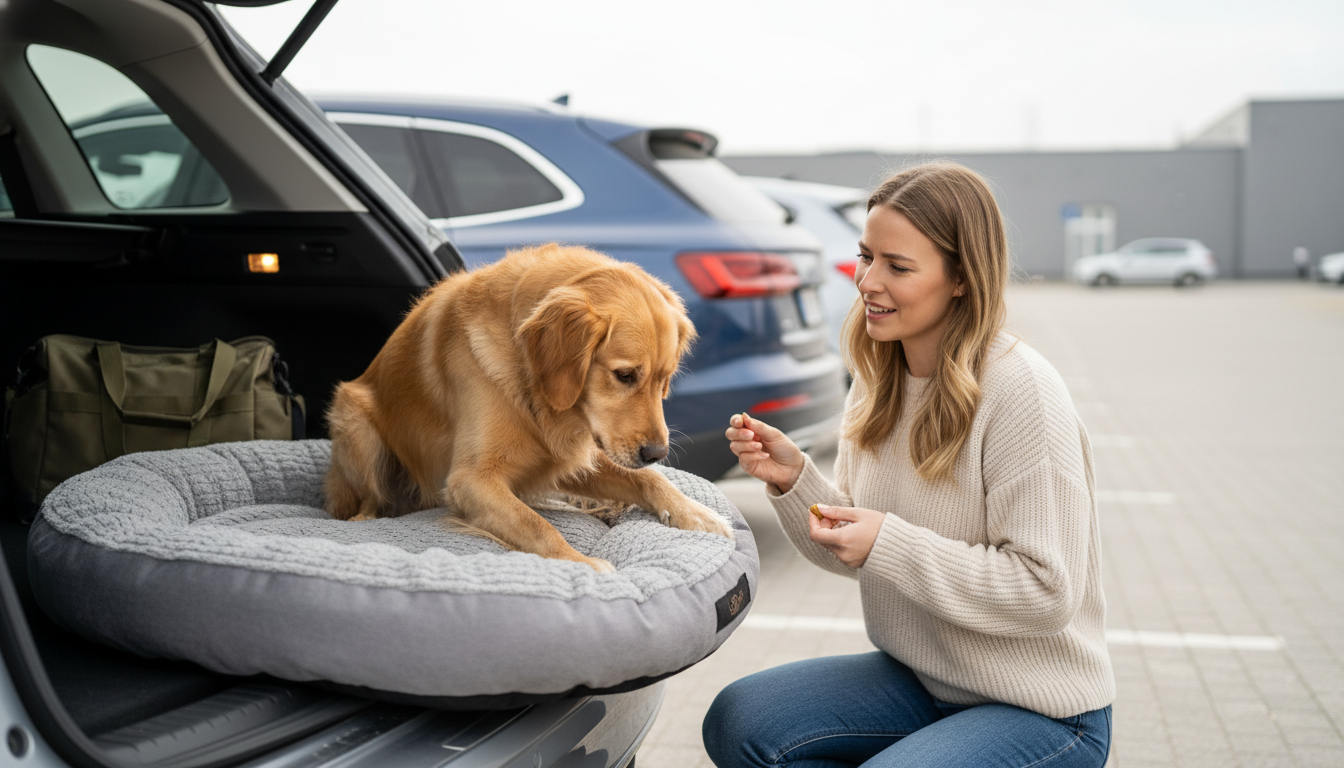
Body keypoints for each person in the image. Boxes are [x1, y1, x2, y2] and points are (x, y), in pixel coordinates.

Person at [703, 162, 1115, 767]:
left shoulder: (1022, 391)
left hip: (1043, 709)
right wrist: (795, 482)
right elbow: (856, 551)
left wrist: (887, 542)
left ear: (961, 278)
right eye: (866, 256)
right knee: (741, 721)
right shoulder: (879, 378)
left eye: (898, 267)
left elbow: (1046, 592)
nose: (868, 281)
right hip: (924, 680)